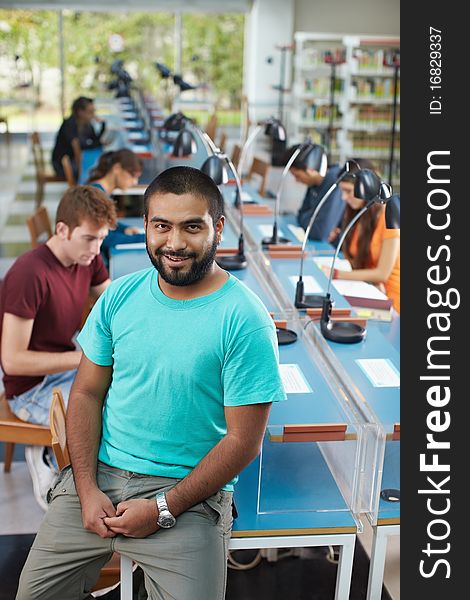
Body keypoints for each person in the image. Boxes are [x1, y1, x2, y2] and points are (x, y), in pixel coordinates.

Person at [16, 166, 286, 600]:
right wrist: (85, 489)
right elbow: (85, 392)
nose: (175, 243)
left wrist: (162, 508)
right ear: (145, 225)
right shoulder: (119, 297)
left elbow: (244, 442)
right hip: (98, 479)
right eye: (162, 226)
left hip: (187, 497)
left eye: (191, 227)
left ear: (218, 228)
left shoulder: (246, 320)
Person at [0, 186, 116, 510]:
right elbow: (12, 361)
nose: (97, 248)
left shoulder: (86, 260)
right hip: (29, 389)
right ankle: (54, 464)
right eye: (90, 238)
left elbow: (111, 303)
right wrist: (82, 358)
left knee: (124, 396)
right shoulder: (29, 274)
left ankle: (54, 450)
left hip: (62, 372)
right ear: (62, 230)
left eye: (101, 239)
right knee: (102, 416)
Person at [333, 169, 400, 312]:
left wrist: (336, 274)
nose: (344, 197)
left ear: (367, 188)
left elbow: (382, 273)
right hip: (368, 289)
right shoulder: (359, 215)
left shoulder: (388, 217)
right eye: (342, 191)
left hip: (391, 298)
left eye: (348, 191)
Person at [86, 149, 146, 265]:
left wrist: (123, 229)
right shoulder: (97, 195)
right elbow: (105, 239)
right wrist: (144, 238)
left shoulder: (101, 191)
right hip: (96, 262)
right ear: (117, 168)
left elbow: (106, 222)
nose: (135, 182)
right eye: (132, 176)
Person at [51, 97, 106, 180]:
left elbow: (95, 142)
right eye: (91, 112)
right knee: (95, 171)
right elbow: (78, 147)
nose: (94, 115)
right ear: (80, 112)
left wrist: (103, 125)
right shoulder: (69, 124)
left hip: (75, 160)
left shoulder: (87, 124)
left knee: (100, 166)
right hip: (62, 164)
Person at [293, 158, 345, 242]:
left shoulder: (335, 180)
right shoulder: (313, 182)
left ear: (310, 169)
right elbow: (300, 215)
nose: (297, 180)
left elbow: (320, 232)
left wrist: (309, 216)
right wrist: (310, 217)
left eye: (297, 175)